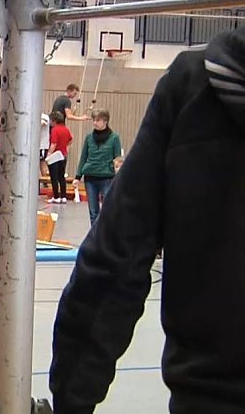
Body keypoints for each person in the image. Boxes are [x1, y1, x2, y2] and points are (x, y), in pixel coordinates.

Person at [49, 27, 245, 413]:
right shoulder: (192, 89)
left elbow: (114, 257)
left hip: (210, 391)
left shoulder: (194, 86)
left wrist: (72, 398)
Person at [72, 109, 122, 225]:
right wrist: (77, 176)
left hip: (107, 177)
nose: (95, 122)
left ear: (105, 121)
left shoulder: (114, 138)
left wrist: (119, 176)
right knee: (93, 211)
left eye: (98, 120)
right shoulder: (89, 138)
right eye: (94, 120)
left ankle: (105, 235)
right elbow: (83, 157)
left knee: (107, 210)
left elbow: (118, 159)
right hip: (90, 177)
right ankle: (94, 238)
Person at [47, 111, 72, 204]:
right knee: (61, 176)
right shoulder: (66, 129)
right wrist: (65, 146)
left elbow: (54, 143)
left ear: (54, 121)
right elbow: (71, 139)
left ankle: (56, 197)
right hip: (63, 154)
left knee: (54, 177)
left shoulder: (55, 130)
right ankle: (63, 197)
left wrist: (49, 154)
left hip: (55, 156)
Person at [40, 112, 51, 177]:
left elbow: (44, 123)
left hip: (42, 146)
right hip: (37, 146)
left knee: (43, 164)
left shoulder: (44, 117)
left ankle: (45, 181)